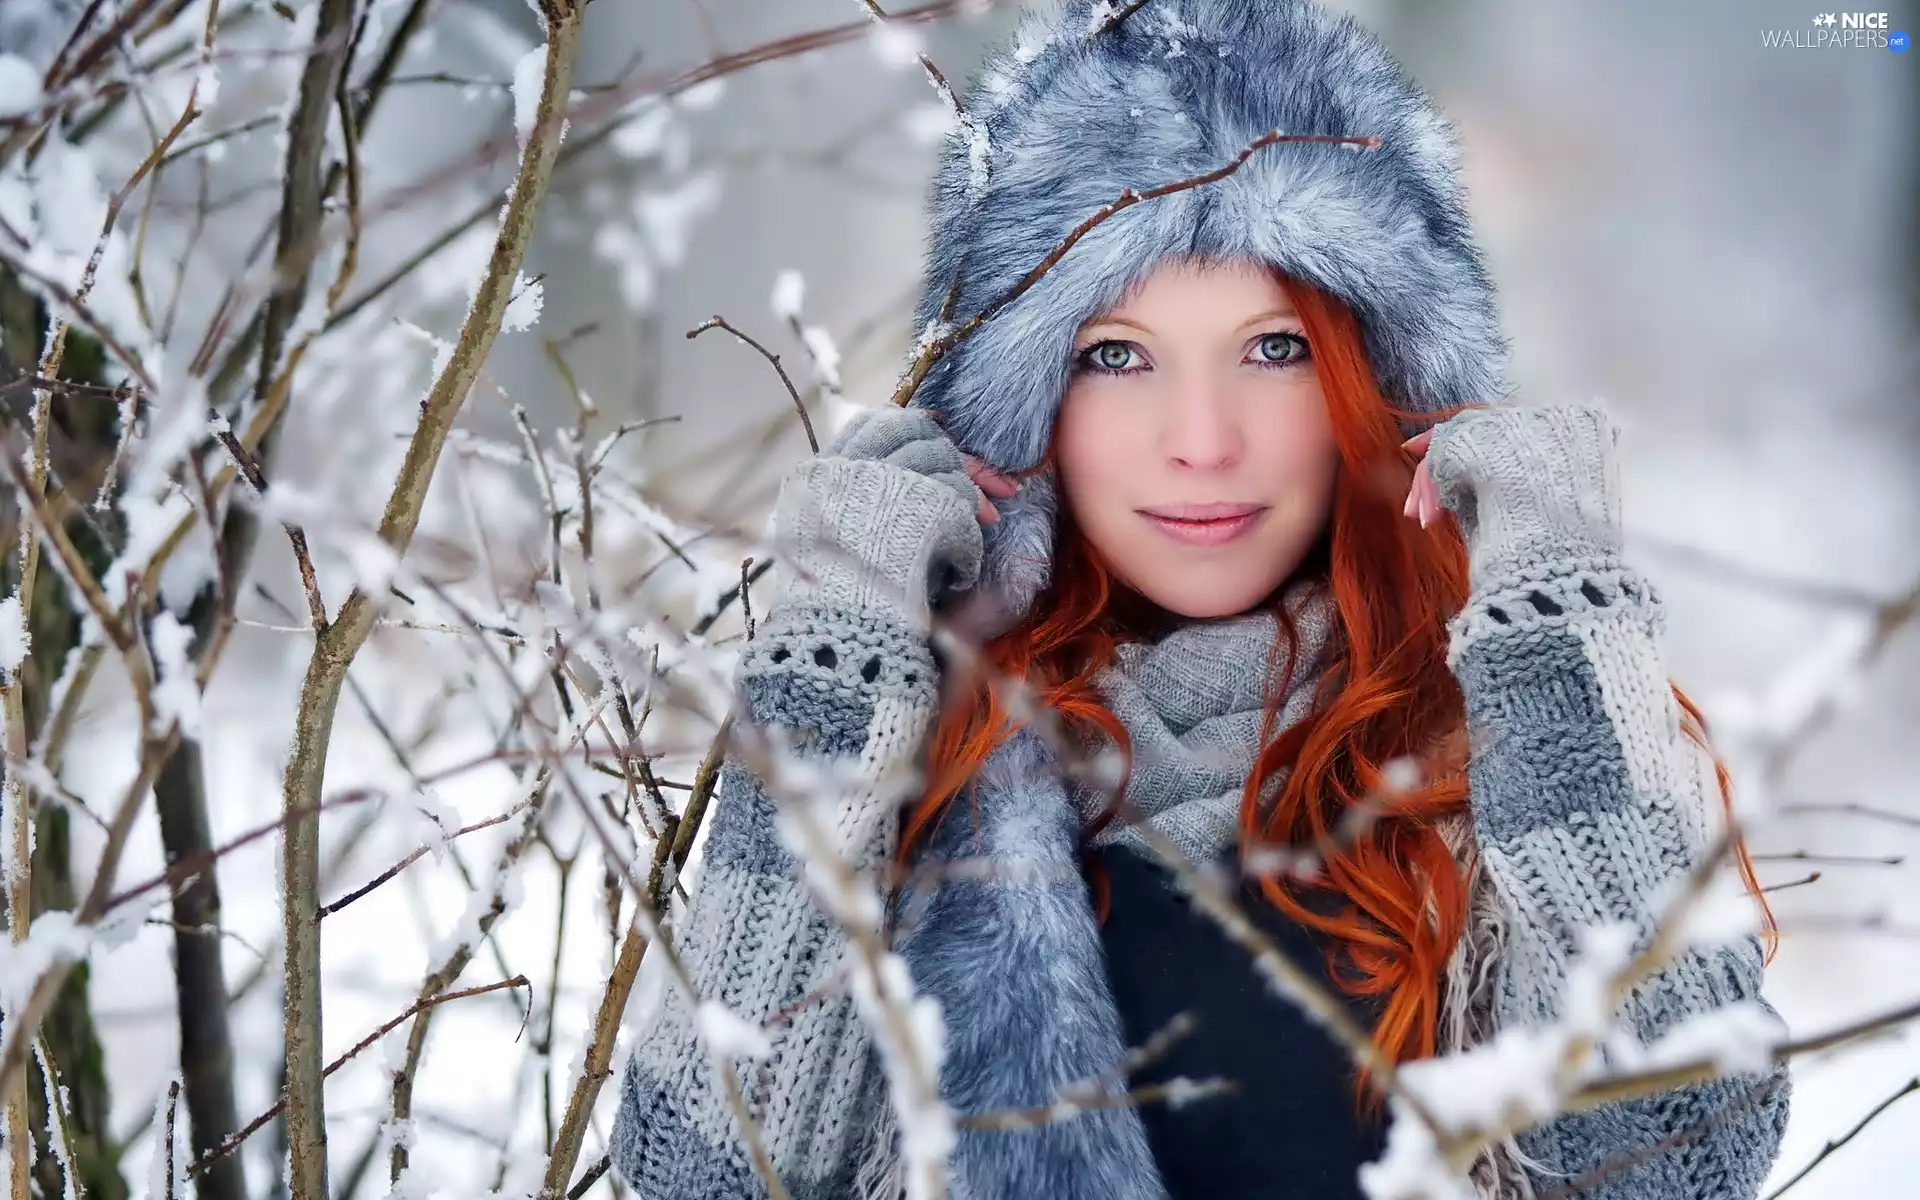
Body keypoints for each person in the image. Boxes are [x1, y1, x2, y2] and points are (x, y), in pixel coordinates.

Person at [610, 2, 1790, 1197]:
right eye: (1114, 355)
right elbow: (703, 1176)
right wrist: (841, 641)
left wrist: (1557, 602)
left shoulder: (1489, 759)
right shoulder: (922, 764)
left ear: (1379, 384)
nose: (1203, 443)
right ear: (1019, 413)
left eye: (1274, 348)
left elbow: (1684, 1161)